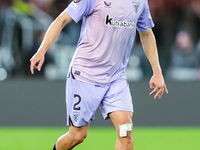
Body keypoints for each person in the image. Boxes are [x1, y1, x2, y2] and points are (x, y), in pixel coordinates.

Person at [30, 0, 168, 149]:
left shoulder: (140, 2)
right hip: (85, 74)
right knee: (77, 135)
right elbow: (62, 19)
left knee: (125, 133)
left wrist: (157, 71)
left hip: (116, 77)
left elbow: (146, 34)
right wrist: (42, 50)